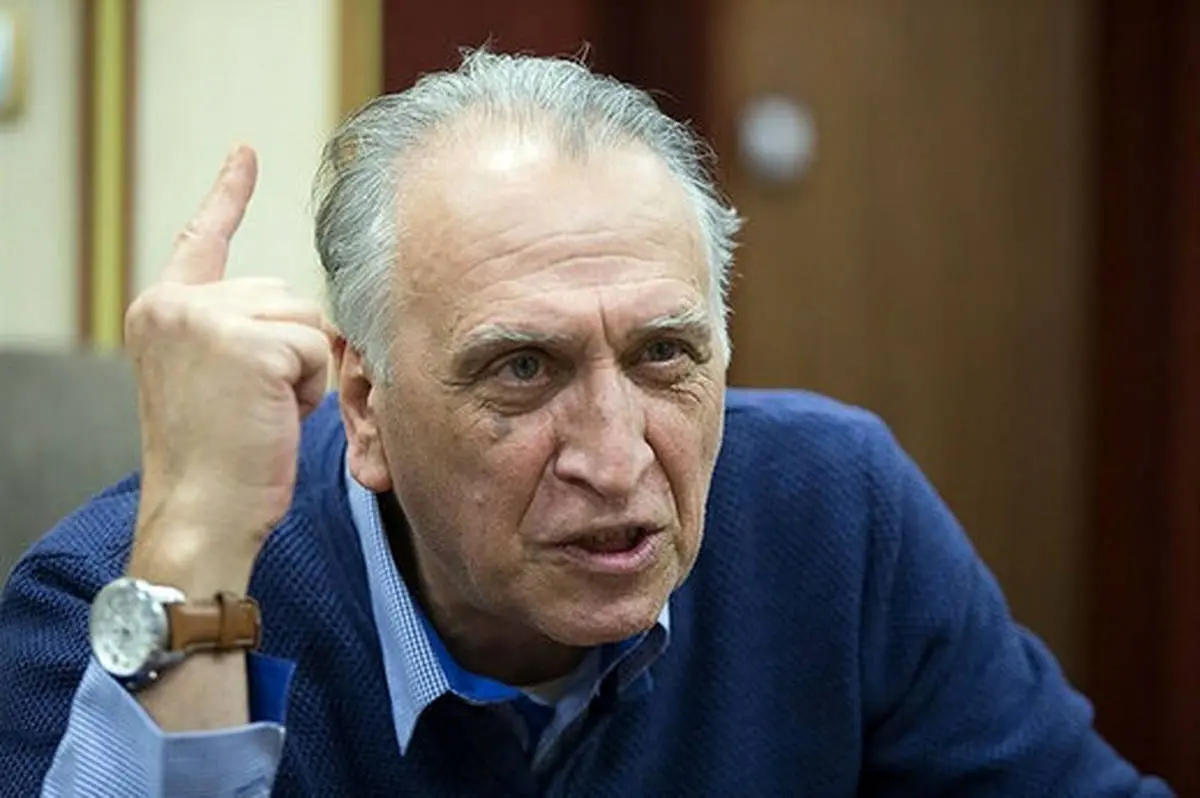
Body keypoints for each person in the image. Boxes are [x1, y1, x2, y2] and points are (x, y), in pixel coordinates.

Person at [0, 49, 1174, 797]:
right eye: (521, 369)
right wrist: (195, 549)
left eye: (665, 355)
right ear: (365, 405)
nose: (616, 461)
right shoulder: (111, 595)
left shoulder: (832, 509)